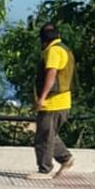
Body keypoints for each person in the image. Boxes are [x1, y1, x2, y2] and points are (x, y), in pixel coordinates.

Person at [34, 23, 75, 176]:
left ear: (43, 40)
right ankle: (66, 158)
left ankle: (44, 170)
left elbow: (51, 74)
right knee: (49, 134)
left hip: (53, 102)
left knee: (44, 137)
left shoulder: (53, 51)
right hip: (63, 101)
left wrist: (42, 98)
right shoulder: (64, 49)